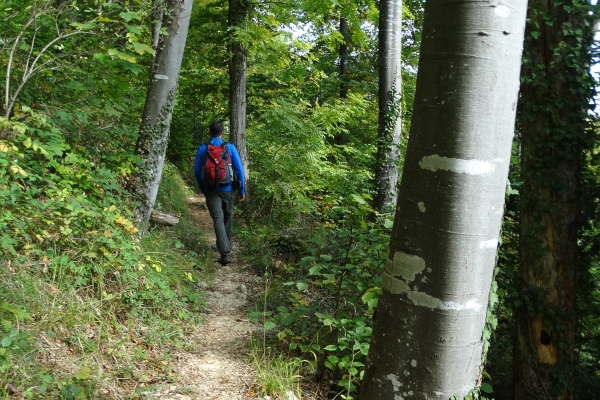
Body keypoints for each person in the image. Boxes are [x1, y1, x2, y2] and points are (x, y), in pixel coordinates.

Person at [194, 122, 245, 265]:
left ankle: (225, 249)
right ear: (222, 133)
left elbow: (198, 171)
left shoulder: (203, 148)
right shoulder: (230, 148)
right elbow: (239, 169)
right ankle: (226, 249)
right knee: (227, 217)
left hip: (211, 190)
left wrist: (203, 189)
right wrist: (242, 190)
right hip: (227, 189)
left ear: (210, 133)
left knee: (218, 220)